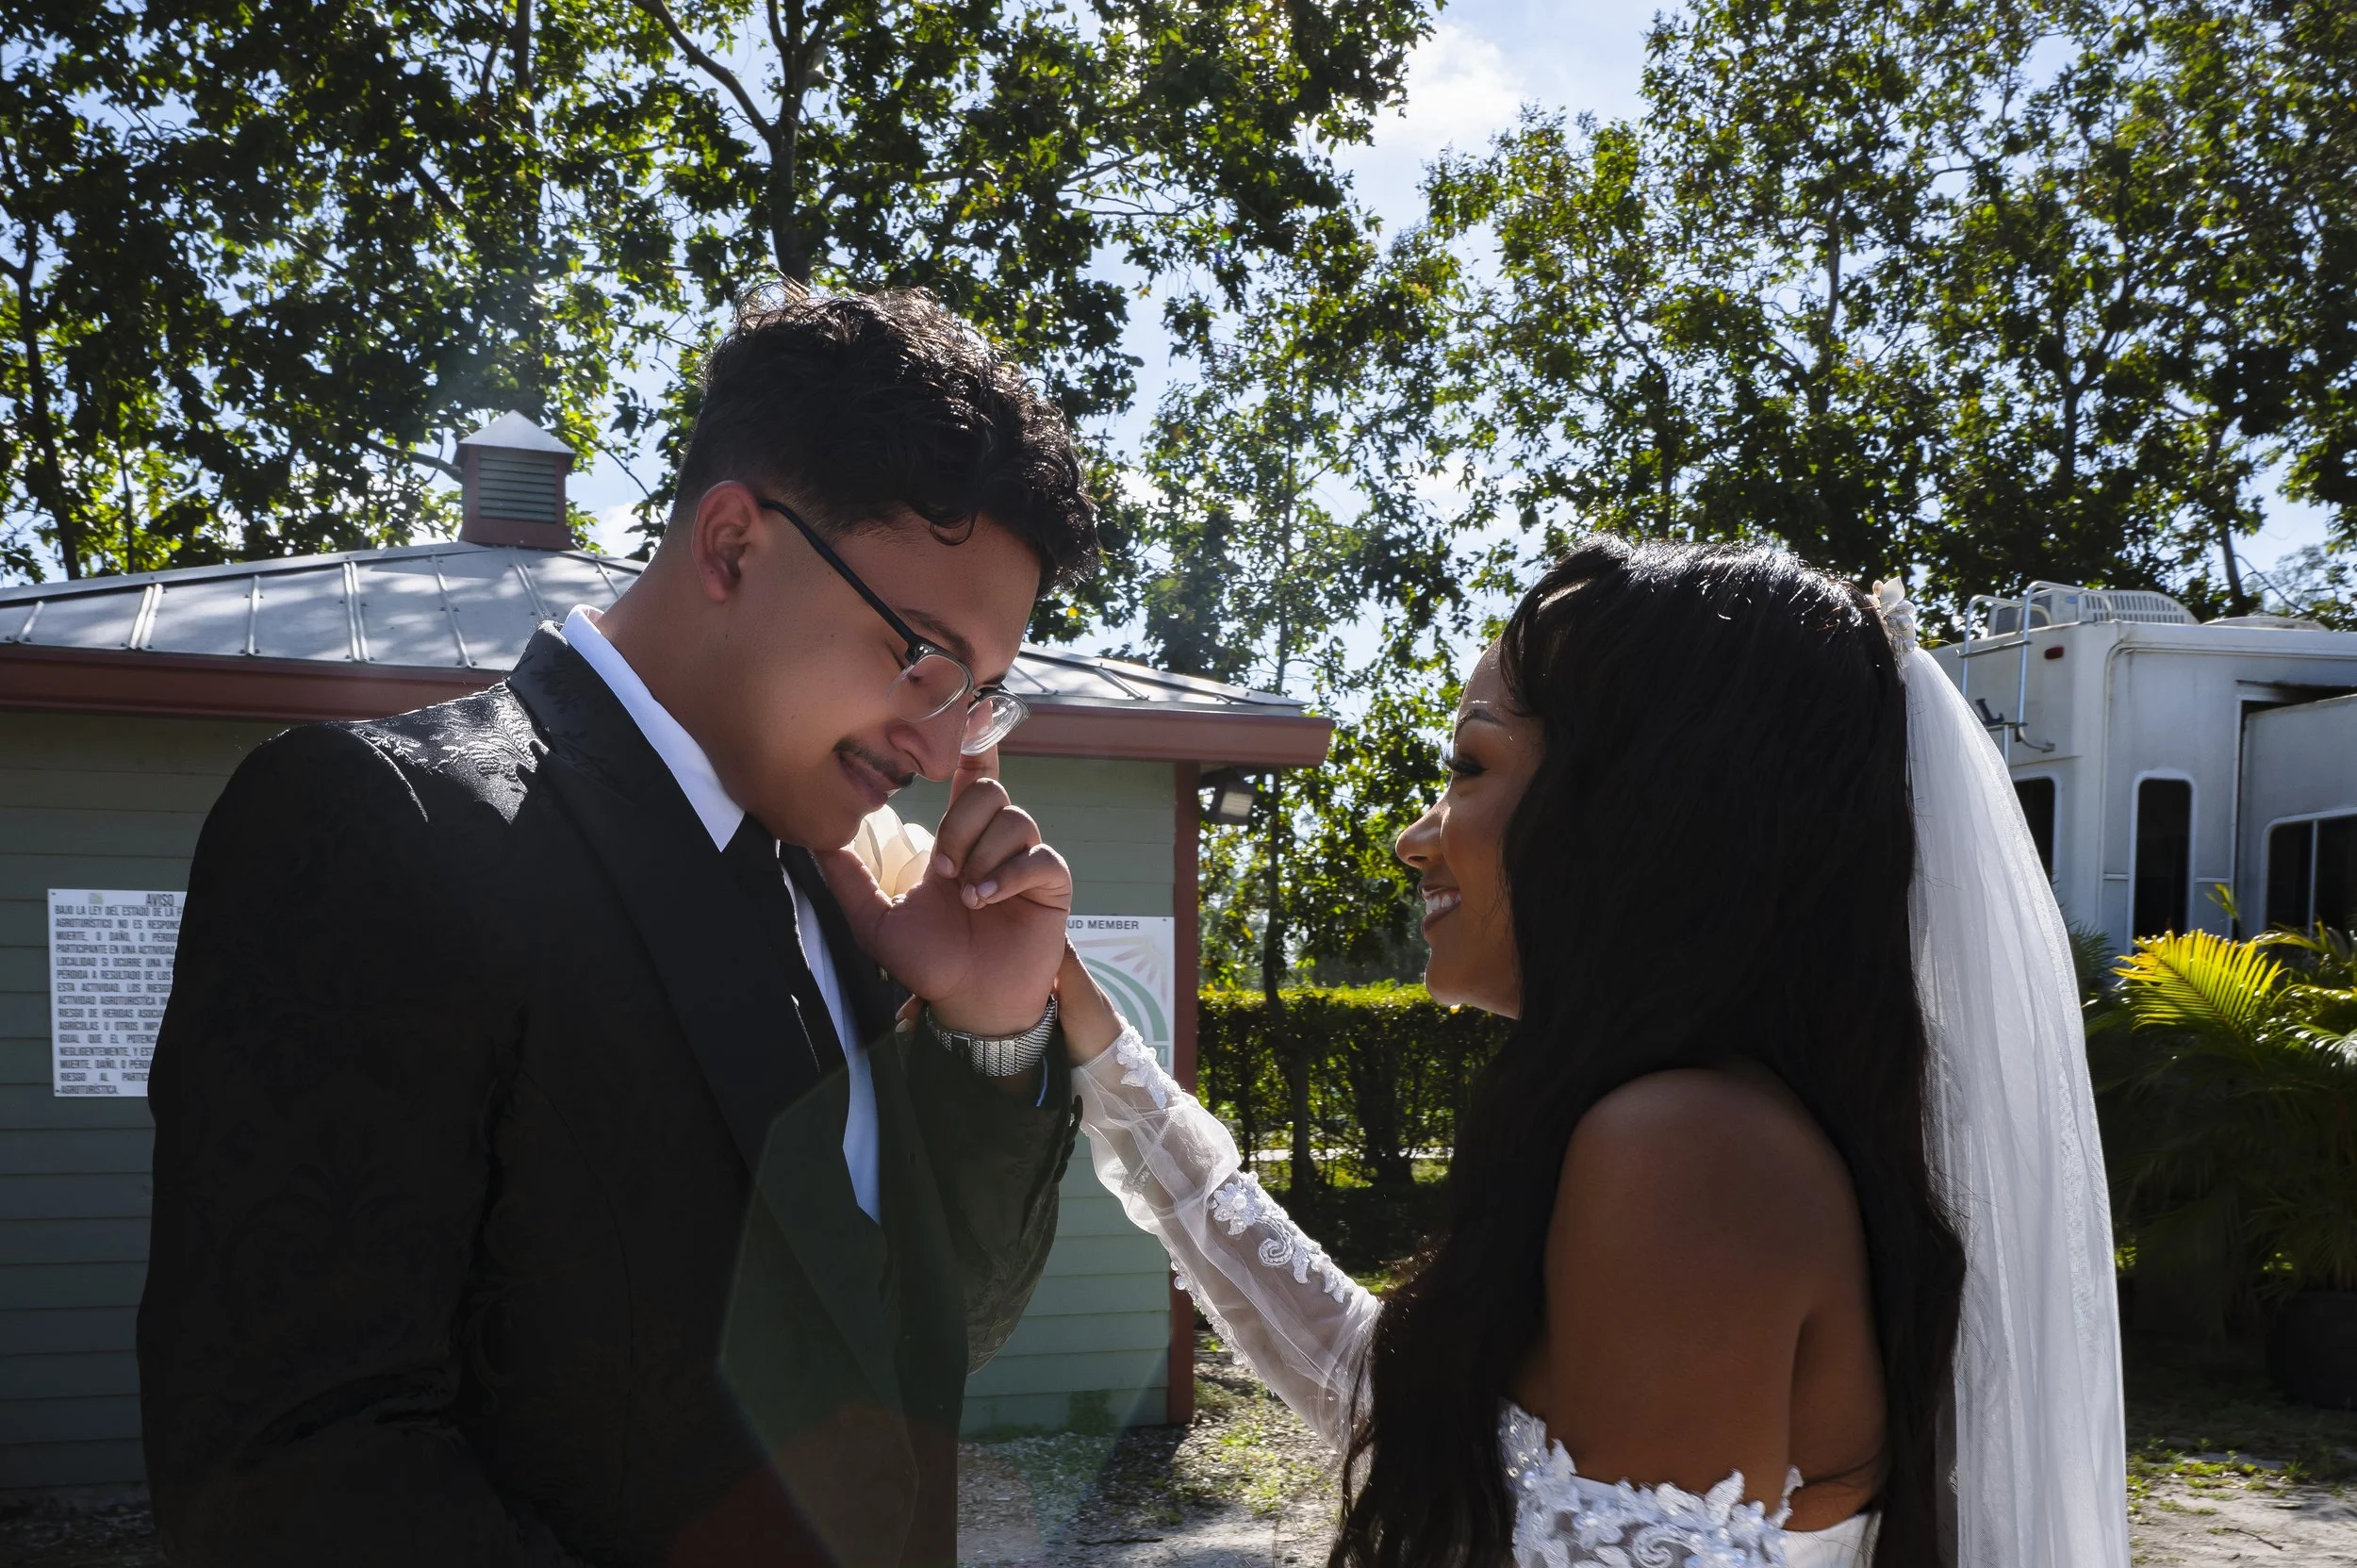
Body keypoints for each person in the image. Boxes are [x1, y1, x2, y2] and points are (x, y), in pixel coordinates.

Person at [137, 287, 1097, 1567]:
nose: (936, 746)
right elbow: (295, 1476)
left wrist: (988, 1030)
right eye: (920, 653)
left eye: (978, 693)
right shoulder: (379, 830)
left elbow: (944, 1326)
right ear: (733, 545)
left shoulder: (846, 889)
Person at [1052, 538, 2129, 1568]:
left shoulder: (1685, 1151)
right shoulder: (1716, 1128)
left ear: (1638, 812)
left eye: (1470, 764)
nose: (1413, 836)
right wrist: (1089, 1032)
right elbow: (1384, 1392)